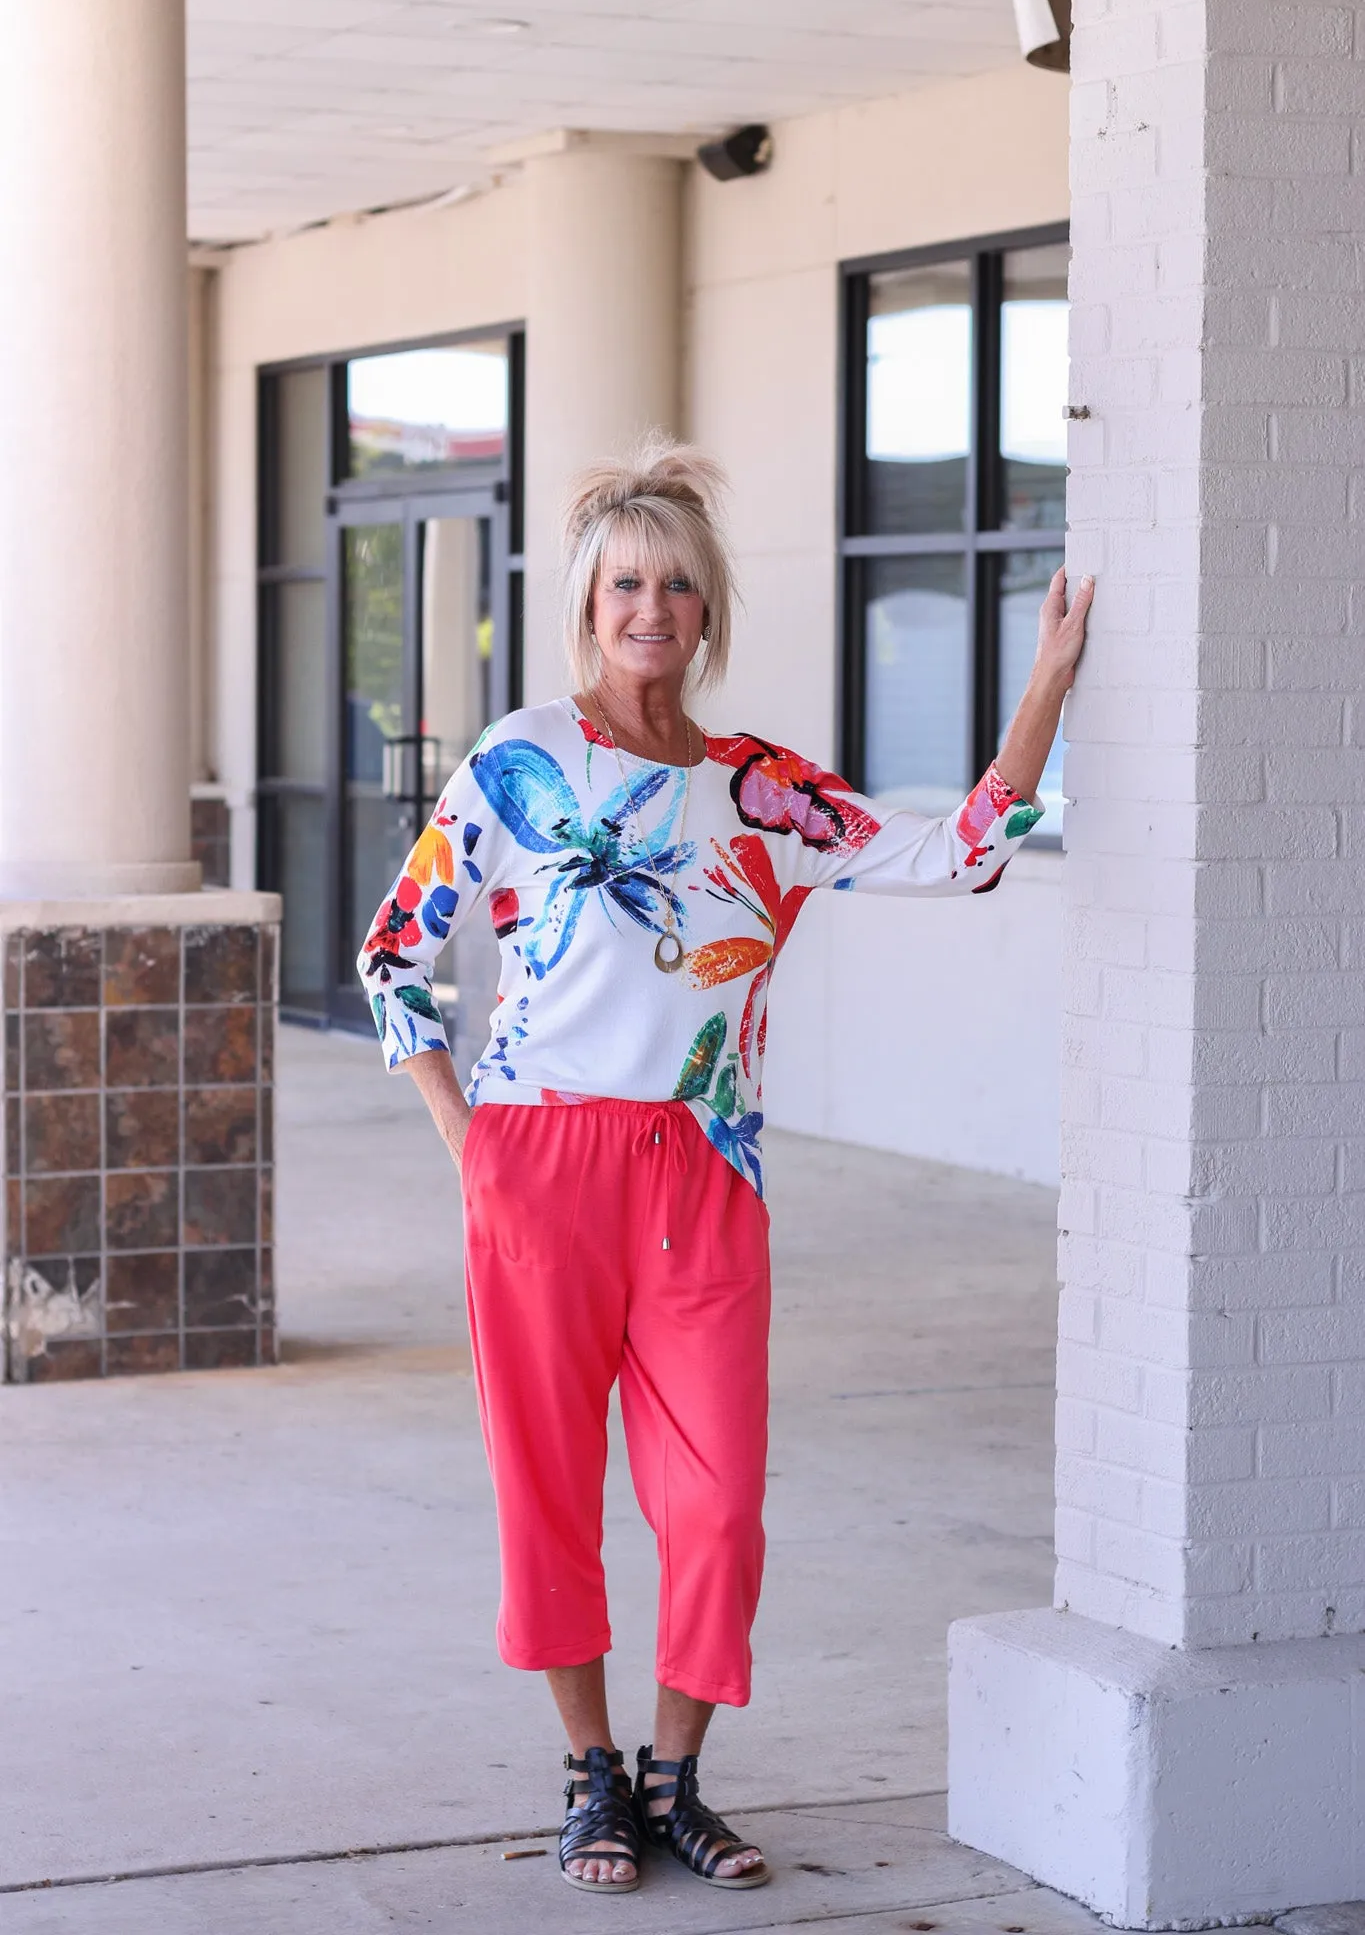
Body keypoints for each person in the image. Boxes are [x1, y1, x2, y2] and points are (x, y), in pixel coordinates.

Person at [357, 440, 1092, 1898]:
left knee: (717, 1500)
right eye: (627, 581)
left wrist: (1050, 682)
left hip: (705, 1169)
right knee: (547, 1484)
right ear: (588, 604)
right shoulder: (518, 759)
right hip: (539, 1165)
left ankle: (679, 1778)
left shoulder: (762, 790)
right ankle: (592, 1777)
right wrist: (472, 1146)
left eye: (678, 583)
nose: (652, 607)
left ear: (709, 613)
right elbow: (392, 956)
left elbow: (959, 850)